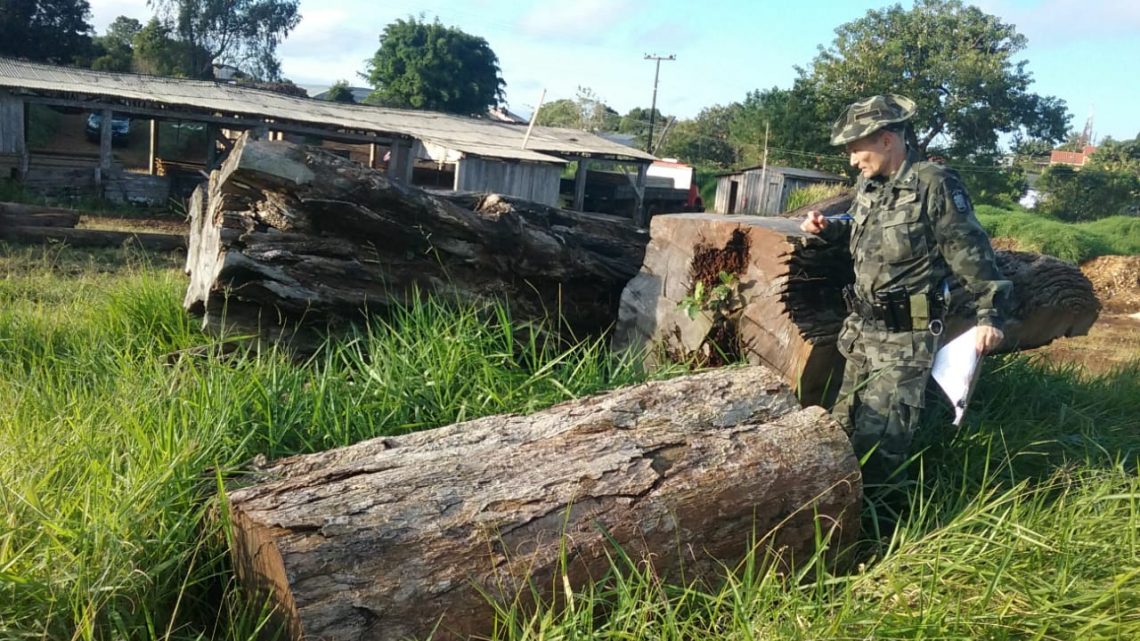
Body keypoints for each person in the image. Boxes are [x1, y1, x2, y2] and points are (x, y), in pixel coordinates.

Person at [800, 94, 1011, 486]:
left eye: (855, 148)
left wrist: (990, 314)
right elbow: (869, 228)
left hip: (904, 339)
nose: (852, 160)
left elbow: (970, 250)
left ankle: (881, 536)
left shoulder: (934, 184)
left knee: (881, 448)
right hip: (861, 332)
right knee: (841, 432)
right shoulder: (871, 183)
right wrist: (830, 228)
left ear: (886, 140)